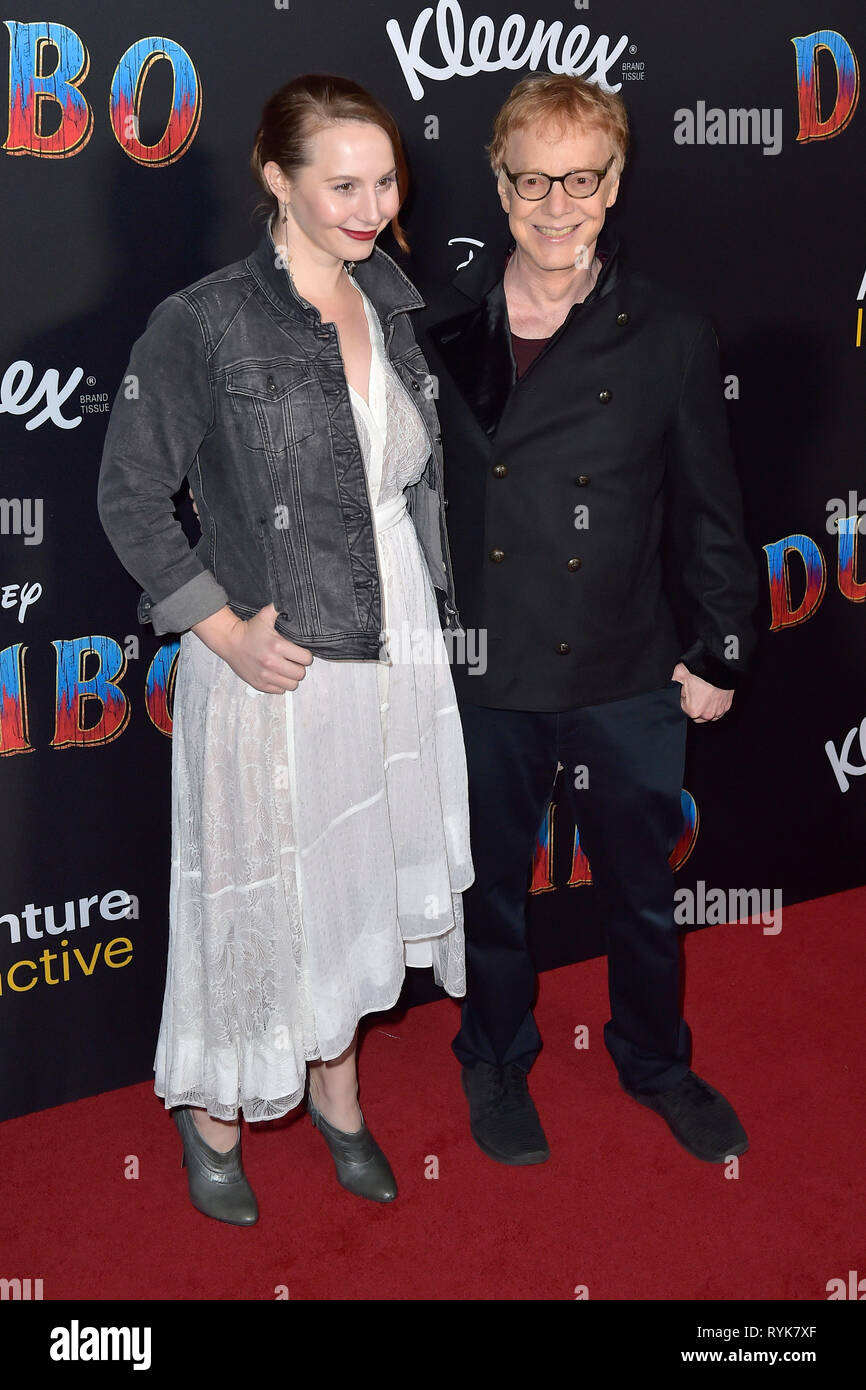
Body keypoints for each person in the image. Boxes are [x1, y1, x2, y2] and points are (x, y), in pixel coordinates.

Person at [97, 73, 473, 1224]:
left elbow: (400, 489)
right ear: (276, 179)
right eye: (341, 185)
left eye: (384, 182)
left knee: (353, 875)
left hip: (393, 636)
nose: (370, 207)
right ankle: (217, 1108)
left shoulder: (393, 300)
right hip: (279, 659)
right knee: (267, 888)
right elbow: (129, 496)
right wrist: (217, 625)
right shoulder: (202, 321)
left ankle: (333, 1080)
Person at [414, 73, 758, 1167]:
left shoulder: (667, 330)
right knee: (493, 895)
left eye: (579, 179)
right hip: (487, 673)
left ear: (612, 185)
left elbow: (709, 502)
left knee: (641, 897)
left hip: (621, 669)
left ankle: (655, 1061)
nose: (554, 204)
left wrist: (720, 642)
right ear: (499, 183)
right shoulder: (441, 337)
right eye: (531, 179)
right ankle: (497, 1056)